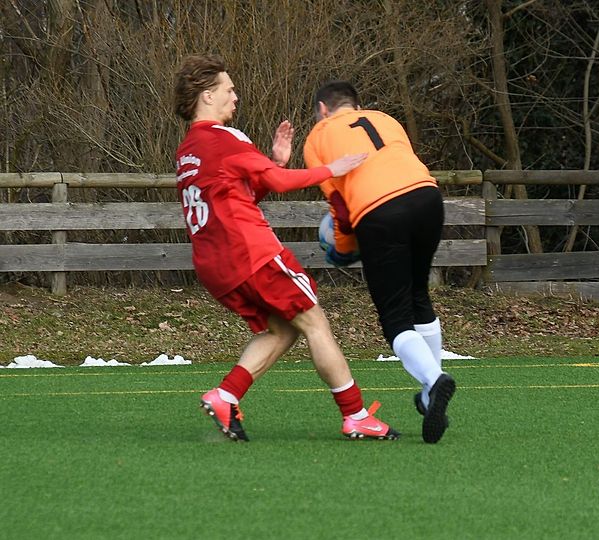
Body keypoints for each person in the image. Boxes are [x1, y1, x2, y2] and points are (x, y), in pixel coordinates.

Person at [173, 54, 398, 442]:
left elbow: (240, 196)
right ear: (207, 95)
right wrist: (331, 169)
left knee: (282, 329)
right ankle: (356, 415)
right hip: (253, 254)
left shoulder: (187, 150)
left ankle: (226, 396)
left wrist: (275, 160)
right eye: (229, 89)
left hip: (215, 265)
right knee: (315, 323)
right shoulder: (226, 138)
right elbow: (278, 183)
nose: (235, 96)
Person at [303, 81, 456, 444]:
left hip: (380, 210)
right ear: (357, 106)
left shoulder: (318, 136)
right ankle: (429, 394)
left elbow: (339, 206)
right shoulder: (386, 118)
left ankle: (435, 380)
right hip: (428, 198)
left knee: (394, 316)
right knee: (418, 294)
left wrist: (342, 249)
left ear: (323, 109)